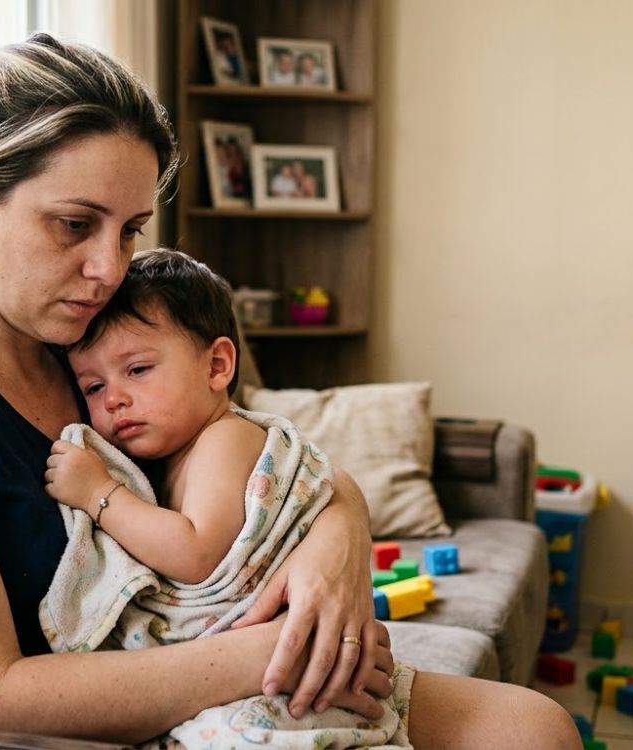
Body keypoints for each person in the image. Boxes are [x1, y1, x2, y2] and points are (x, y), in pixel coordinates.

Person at [0, 33, 577, 748]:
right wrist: (282, 647)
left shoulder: (89, 347)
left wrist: (340, 542)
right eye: (74, 225)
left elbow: (259, 456)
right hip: (56, 730)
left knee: (532, 727)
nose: (109, 268)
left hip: (209, 681)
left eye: (130, 229)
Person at [45, 248, 414, 746]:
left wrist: (98, 493)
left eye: (137, 370)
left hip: (281, 673)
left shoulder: (226, 438)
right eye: (92, 387)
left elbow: (195, 555)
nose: (113, 399)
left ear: (217, 366)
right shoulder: (169, 456)